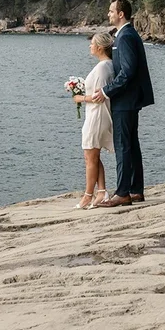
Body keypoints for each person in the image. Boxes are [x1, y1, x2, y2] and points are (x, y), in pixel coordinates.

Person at [92, 0, 154, 208]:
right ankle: (136, 190)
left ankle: (123, 193)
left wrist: (106, 91)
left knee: (123, 146)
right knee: (132, 146)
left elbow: (127, 72)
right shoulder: (126, 35)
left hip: (125, 101)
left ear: (121, 14)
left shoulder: (125, 36)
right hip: (130, 100)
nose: (108, 14)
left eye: (111, 11)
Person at [71, 32, 115, 209]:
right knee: (93, 155)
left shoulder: (103, 68)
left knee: (90, 156)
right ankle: (102, 191)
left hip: (97, 115)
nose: (90, 46)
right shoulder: (107, 65)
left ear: (100, 47)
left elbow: (99, 96)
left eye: (92, 44)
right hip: (95, 114)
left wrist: (80, 98)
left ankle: (87, 196)